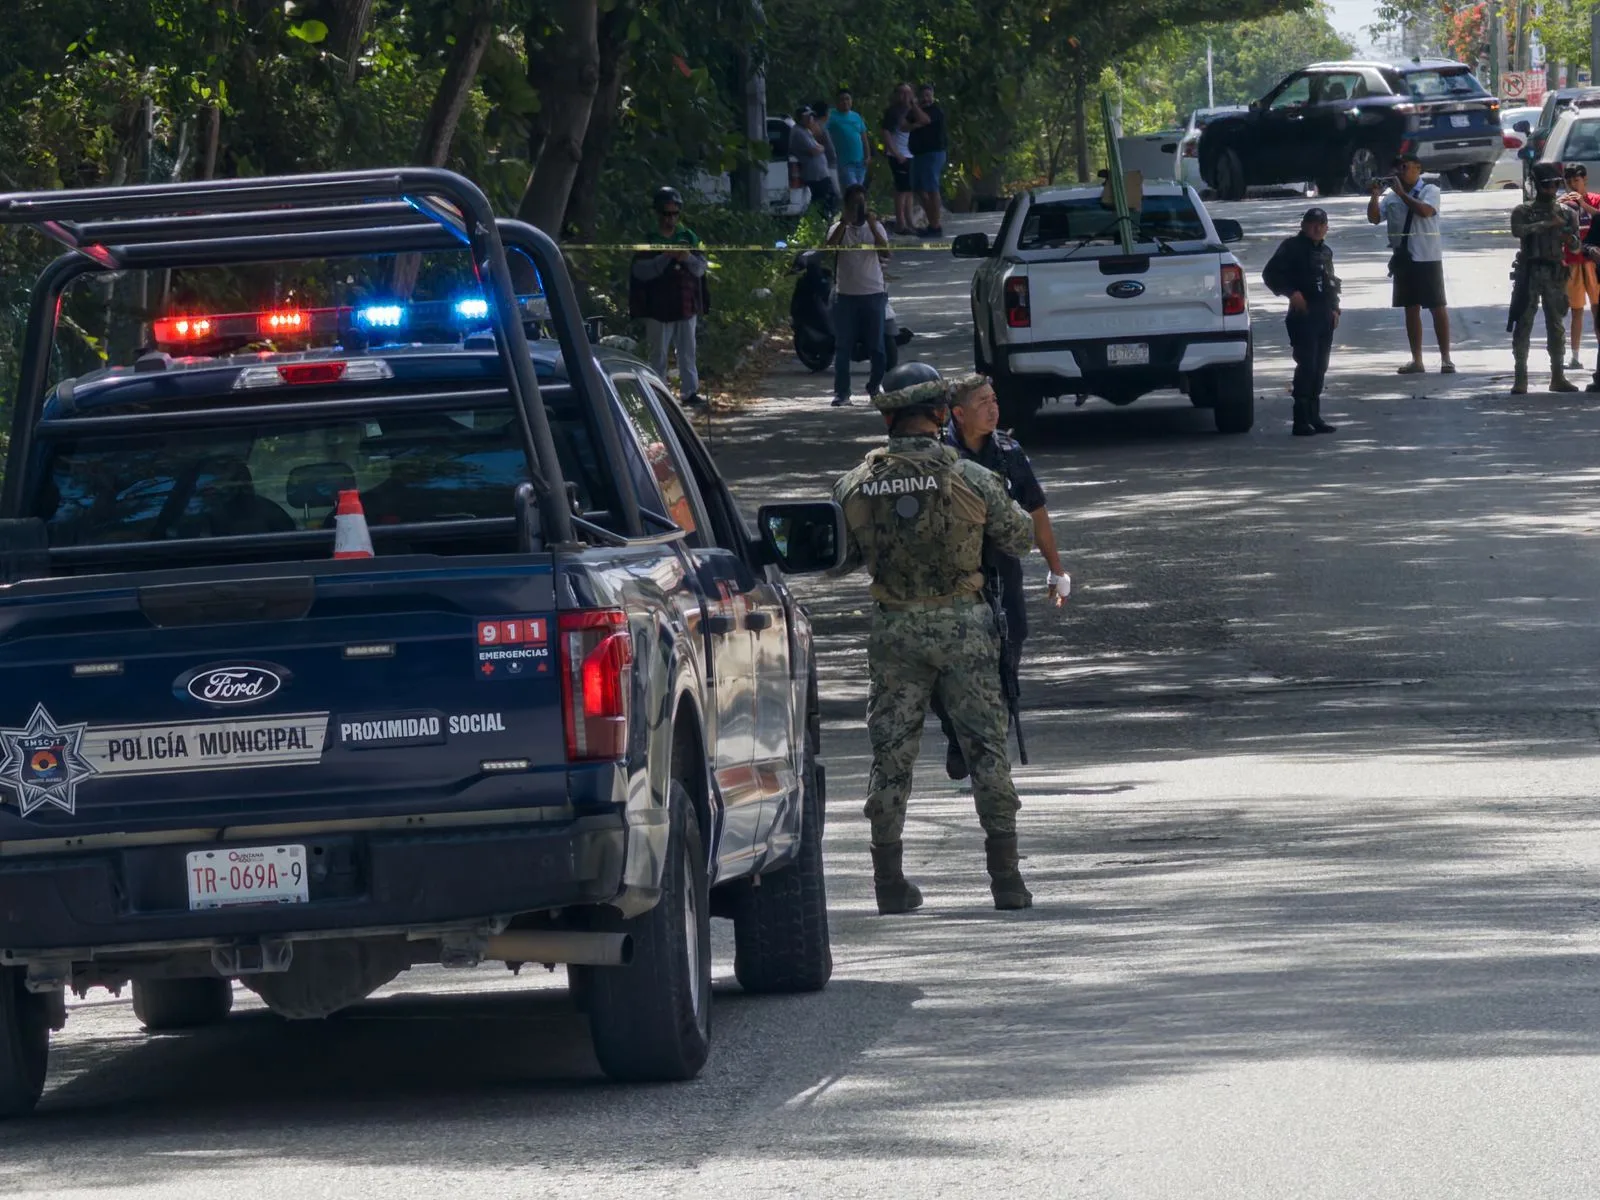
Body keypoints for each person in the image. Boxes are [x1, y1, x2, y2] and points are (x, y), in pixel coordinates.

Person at [830, 361, 1038, 913]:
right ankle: (1006, 881)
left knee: (891, 753)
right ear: (942, 414)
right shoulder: (971, 477)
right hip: (964, 626)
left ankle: (889, 883)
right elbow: (1020, 536)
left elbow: (838, 558)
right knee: (986, 748)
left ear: (889, 418)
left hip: (895, 628)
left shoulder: (857, 483)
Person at [932, 373, 1069, 782]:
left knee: (1006, 661)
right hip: (951, 579)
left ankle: (991, 758)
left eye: (994, 400)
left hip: (1002, 572)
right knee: (942, 668)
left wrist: (1056, 569)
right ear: (958, 413)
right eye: (982, 403)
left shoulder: (1009, 453)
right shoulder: (937, 457)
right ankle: (957, 733)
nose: (993, 409)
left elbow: (1036, 512)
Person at [1366, 152, 1454, 375]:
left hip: (1427, 256)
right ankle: (1417, 360)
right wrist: (1375, 196)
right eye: (1397, 168)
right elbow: (1374, 218)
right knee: (1410, 308)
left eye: (1405, 167)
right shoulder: (1392, 197)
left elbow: (1425, 211)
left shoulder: (1429, 191)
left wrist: (1402, 194)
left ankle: (1446, 359)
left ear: (1418, 168)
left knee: (1437, 307)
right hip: (1403, 258)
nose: (1400, 172)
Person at [1262, 206, 1342, 436]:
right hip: (1303, 314)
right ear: (1304, 226)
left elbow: (1331, 282)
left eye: (1322, 224)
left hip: (1324, 314)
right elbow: (1270, 275)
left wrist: (1335, 308)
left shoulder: (1326, 251)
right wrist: (1290, 292)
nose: (1317, 228)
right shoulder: (1291, 247)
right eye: (1313, 224)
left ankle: (1315, 416)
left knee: (1320, 366)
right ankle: (1300, 419)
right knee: (1306, 365)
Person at [628, 186, 708, 407]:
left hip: (685, 305)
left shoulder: (689, 236)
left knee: (687, 353)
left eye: (675, 213)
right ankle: (658, 396)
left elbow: (701, 268)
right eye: (666, 213)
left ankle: (690, 393)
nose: (670, 218)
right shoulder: (649, 238)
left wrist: (687, 258)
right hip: (657, 307)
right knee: (658, 356)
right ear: (658, 213)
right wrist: (664, 258)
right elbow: (639, 272)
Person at [1511, 162, 1582, 395]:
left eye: (1554, 184)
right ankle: (1520, 377)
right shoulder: (1524, 211)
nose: (1551, 190)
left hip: (1554, 273)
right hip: (1530, 272)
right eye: (1546, 185)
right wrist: (1546, 225)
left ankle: (1558, 376)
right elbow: (1518, 230)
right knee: (1524, 323)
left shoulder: (1566, 212)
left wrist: (1567, 236)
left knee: (1556, 325)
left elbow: (1576, 245)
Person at [825, 183, 891, 407]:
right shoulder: (838, 228)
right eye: (854, 203)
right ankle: (842, 393)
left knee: (877, 348)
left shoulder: (876, 228)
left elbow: (886, 252)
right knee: (843, 346)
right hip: (845, 295)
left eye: (861, 203)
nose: (858, 208)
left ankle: (875, 386)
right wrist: (844, 222)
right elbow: (828, 249)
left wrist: (871, 225)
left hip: (873, 293)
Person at [1560, 164, 1600, 370]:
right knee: (1576, 310)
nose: (1573, 185)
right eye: (1569, 182)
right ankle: (1575, 356)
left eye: (1576, 180)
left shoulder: (1595, 200)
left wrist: (1583, 204)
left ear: (1584, 179)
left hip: (1593, 262)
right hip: (1572, 262)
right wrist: (1559, 206)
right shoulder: (1563, 204)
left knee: (1597, 309)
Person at [880, 84, 927, 236]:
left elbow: (925, 121)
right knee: (901, 190)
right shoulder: (893, 112)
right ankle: (900, 223)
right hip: (898, 154)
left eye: (908, 93)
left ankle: (910, 222)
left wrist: (914, 105)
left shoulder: (913, 110)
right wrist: (896, 153)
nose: (904, 96)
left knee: (909, 190)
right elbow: (886, 133)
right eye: (901, 93)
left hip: (911, 154)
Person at [908, 83, 948, 238]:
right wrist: (915, 123)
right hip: (918, 154)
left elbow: (925, 120)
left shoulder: (936, 110)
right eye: (922, 96)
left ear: (932, 96)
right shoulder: (914, 112)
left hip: (933, 153)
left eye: (928, 95)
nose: (925, 99)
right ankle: (931, 222)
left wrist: (915, 108)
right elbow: (904, 126)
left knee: (931, 188)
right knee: (918, 188)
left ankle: (936, 225)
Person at [789, 106, 837, 218]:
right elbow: (814, 150)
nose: (811, 118)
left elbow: (817, 146)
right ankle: (822, 220)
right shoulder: (798, 132)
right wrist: (821, 148)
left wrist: (820, 148)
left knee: (824, 198)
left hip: (819, 173)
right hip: (814, 174)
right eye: (809, 116)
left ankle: (820, 220)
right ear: (802, 118)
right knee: (827, 198)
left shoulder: (805, 131)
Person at [828, 87, 871, 188]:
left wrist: (868, 156)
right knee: (853, 190)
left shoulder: (856, 116)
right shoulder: (831, 116)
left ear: (851, 101)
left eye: (847, 99)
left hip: (860, 162)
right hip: (844, 162)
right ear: (837, 102)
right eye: (842, 99)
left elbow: (864, 138)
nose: (845, 102)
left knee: (858, 190)